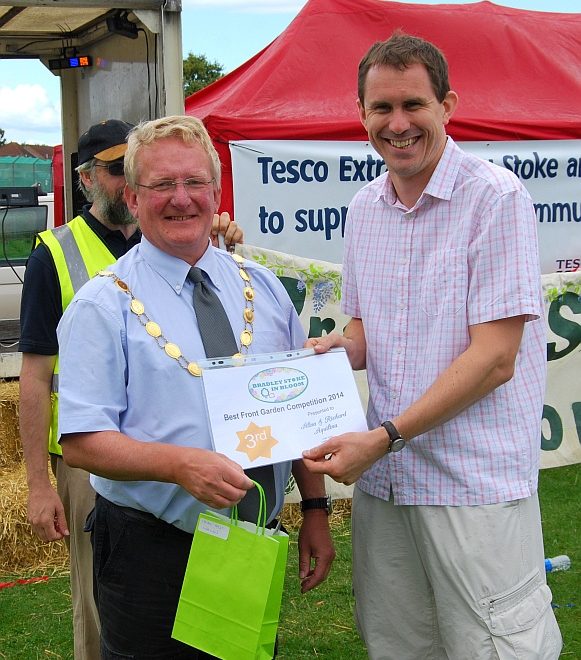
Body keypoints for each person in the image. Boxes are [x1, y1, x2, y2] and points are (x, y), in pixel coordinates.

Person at [302, 32, 562, 660]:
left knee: (499, 648)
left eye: (413, 105)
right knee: (399, 646)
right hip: (389, 486)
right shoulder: (365, 207)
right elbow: (367, 331)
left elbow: (495, 357)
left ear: (447, 105)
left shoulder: (495, 198)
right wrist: (322, 357)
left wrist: (385, 435)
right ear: (360, 115)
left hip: (472, 485)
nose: (398, 124)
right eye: (380, 109)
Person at [57, 115, 335, 658]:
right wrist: (178, 465)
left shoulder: (263, 288)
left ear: (216, 191)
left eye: (194, 183)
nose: (180, 199)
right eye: (162, 185)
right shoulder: (102, 304)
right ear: (133, 199)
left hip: (250, 539)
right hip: (149, 552)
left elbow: (295, 410)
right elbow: (81, 441)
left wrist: (316, 510)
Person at [19, 118, 244, 660]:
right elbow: (34, 375)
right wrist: (37, 483)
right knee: (104, 616)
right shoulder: (60, 256)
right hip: (101, 471)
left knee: (230, 641)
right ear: (92, 180)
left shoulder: (219, 260)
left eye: (191, 184)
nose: (176, 197)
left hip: (224, 505)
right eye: (120, 172)